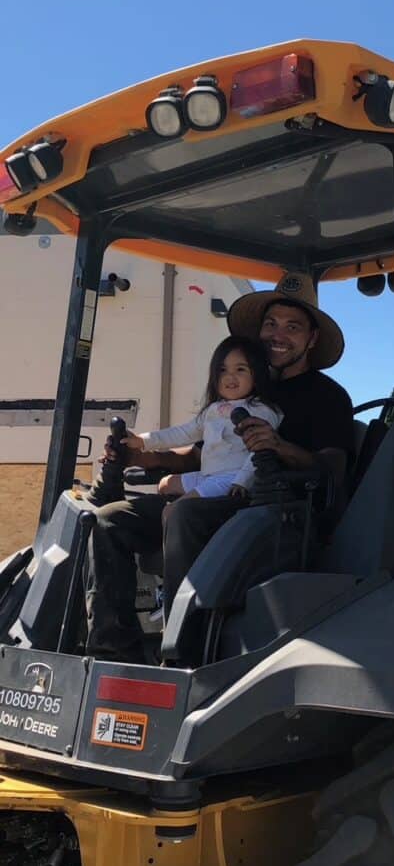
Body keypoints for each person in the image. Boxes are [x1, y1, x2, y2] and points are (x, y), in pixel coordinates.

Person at [85, 272, 353, 661]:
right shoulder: (243, 387)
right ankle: (113, 649)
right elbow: (198, 453)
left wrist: (278, 446)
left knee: (185, 513)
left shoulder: (327, 397)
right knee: (110, 519)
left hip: (276, 512)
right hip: (216, 497)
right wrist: (139, 454)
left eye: (292, 327)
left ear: (311, 339)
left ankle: (182, 648)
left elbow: (333, 467)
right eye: (270, 324)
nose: (278, 334)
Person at [121, 336, 282, 499]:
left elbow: (260, 452)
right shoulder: (212, 409)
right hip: (208, 476)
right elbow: (184, 433)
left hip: (234, 478)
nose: (229, 377)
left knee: (178, 509)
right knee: (165, 484)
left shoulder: (261, 410)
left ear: (257, 375)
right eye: (222, 370)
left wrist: (242, 481)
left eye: (240, 369)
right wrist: (143, 441)